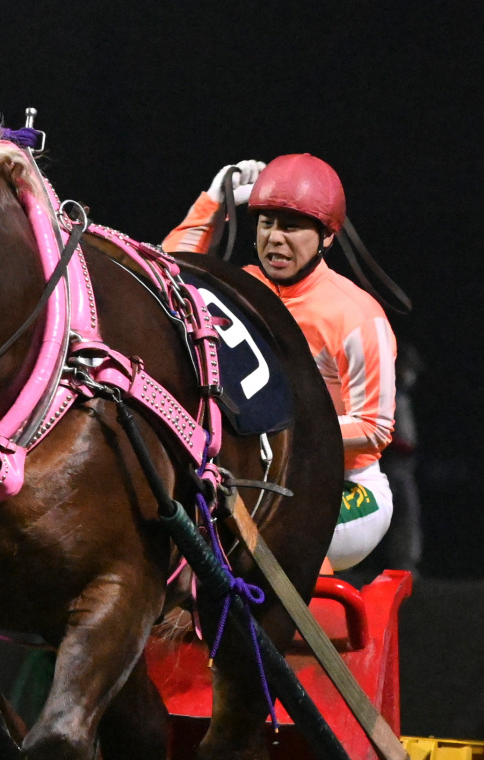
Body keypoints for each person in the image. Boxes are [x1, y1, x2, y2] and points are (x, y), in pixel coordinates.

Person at [163, 155, 397, 570]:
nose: (274, 238)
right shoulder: (244, 289)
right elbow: (166, 279)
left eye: (290, 226)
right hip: (257, 476)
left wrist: (271, 428)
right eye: (266, 223)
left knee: (247, 535)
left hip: (345, 486)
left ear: (326, 237)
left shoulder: (358, 316)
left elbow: (375, 428)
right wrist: (212, 202)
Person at [381, 341, 423, 572]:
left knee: (407, 516)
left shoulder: (403, 397)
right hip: (389, 466)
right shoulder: (386, 393)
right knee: (379, 514)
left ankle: (404, 566)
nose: (411, 374)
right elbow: (381, 433)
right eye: (408, 367)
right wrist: (400, 446)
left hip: (404, 467)